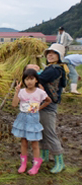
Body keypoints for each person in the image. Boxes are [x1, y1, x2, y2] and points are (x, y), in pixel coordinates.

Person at [11, 69, 52, 175]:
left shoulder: (40, 92)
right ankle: (23, 164)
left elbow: (48, 100)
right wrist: (16, 92)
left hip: (33, 119)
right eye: (26, 79)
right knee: (23, 142)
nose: (29, 81)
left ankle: (36, 164)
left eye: (31, 79)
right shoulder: (22, 92)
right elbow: (14, 104)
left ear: (36, 80)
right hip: (23, 118)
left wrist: (40, 108)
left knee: (34, 143)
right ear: (24, 81)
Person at [39, 43, 67, 173]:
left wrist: (29, 72)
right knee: (43, 131)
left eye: (53, 53)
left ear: (59, 56)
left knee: (49, 133)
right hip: (47, 104)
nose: (50, 55)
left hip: (48, 105)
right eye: (48, 53)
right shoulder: (57, 68)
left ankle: (59, 162)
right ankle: (44, 156)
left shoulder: (54, 69)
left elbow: (38, 79)